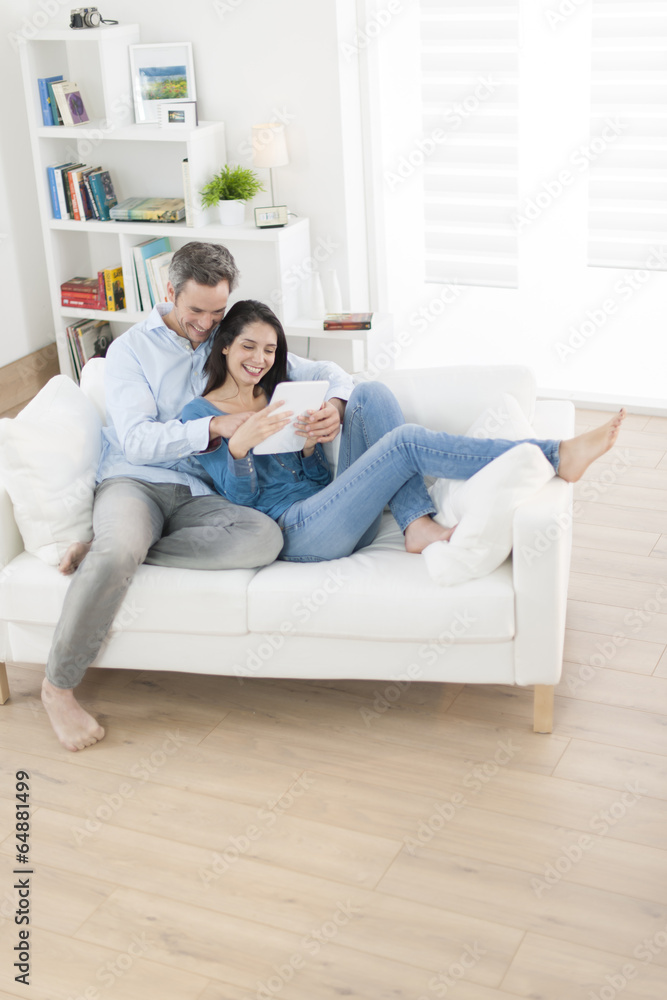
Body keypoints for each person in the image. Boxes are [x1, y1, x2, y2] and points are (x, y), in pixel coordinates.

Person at [42, 243, 354, 752]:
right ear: (170, 293)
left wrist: (337, 405)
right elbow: (139, 440)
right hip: (136, 480)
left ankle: (111, 548)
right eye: (196, 312)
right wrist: (213, 425)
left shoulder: (227, 335)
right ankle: (58, 686)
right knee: (121, 548)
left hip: (203, 490)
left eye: (217, 311)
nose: (208, 324)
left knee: (261, 537)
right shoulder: (129, 352)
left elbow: (326, 372)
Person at [182, 299, 626, 564]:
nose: (259, 359)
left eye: (269, 349)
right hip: (296, 532)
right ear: (224, 346)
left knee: (370, 393)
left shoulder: (281, 391)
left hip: (336, 507)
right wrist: (239, 447)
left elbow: (317, 477)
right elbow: (241, 504)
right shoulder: (199, 414)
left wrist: (313, 441)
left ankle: (415, 523)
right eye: (248, 347)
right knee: (405, 444)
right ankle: (552, 454)